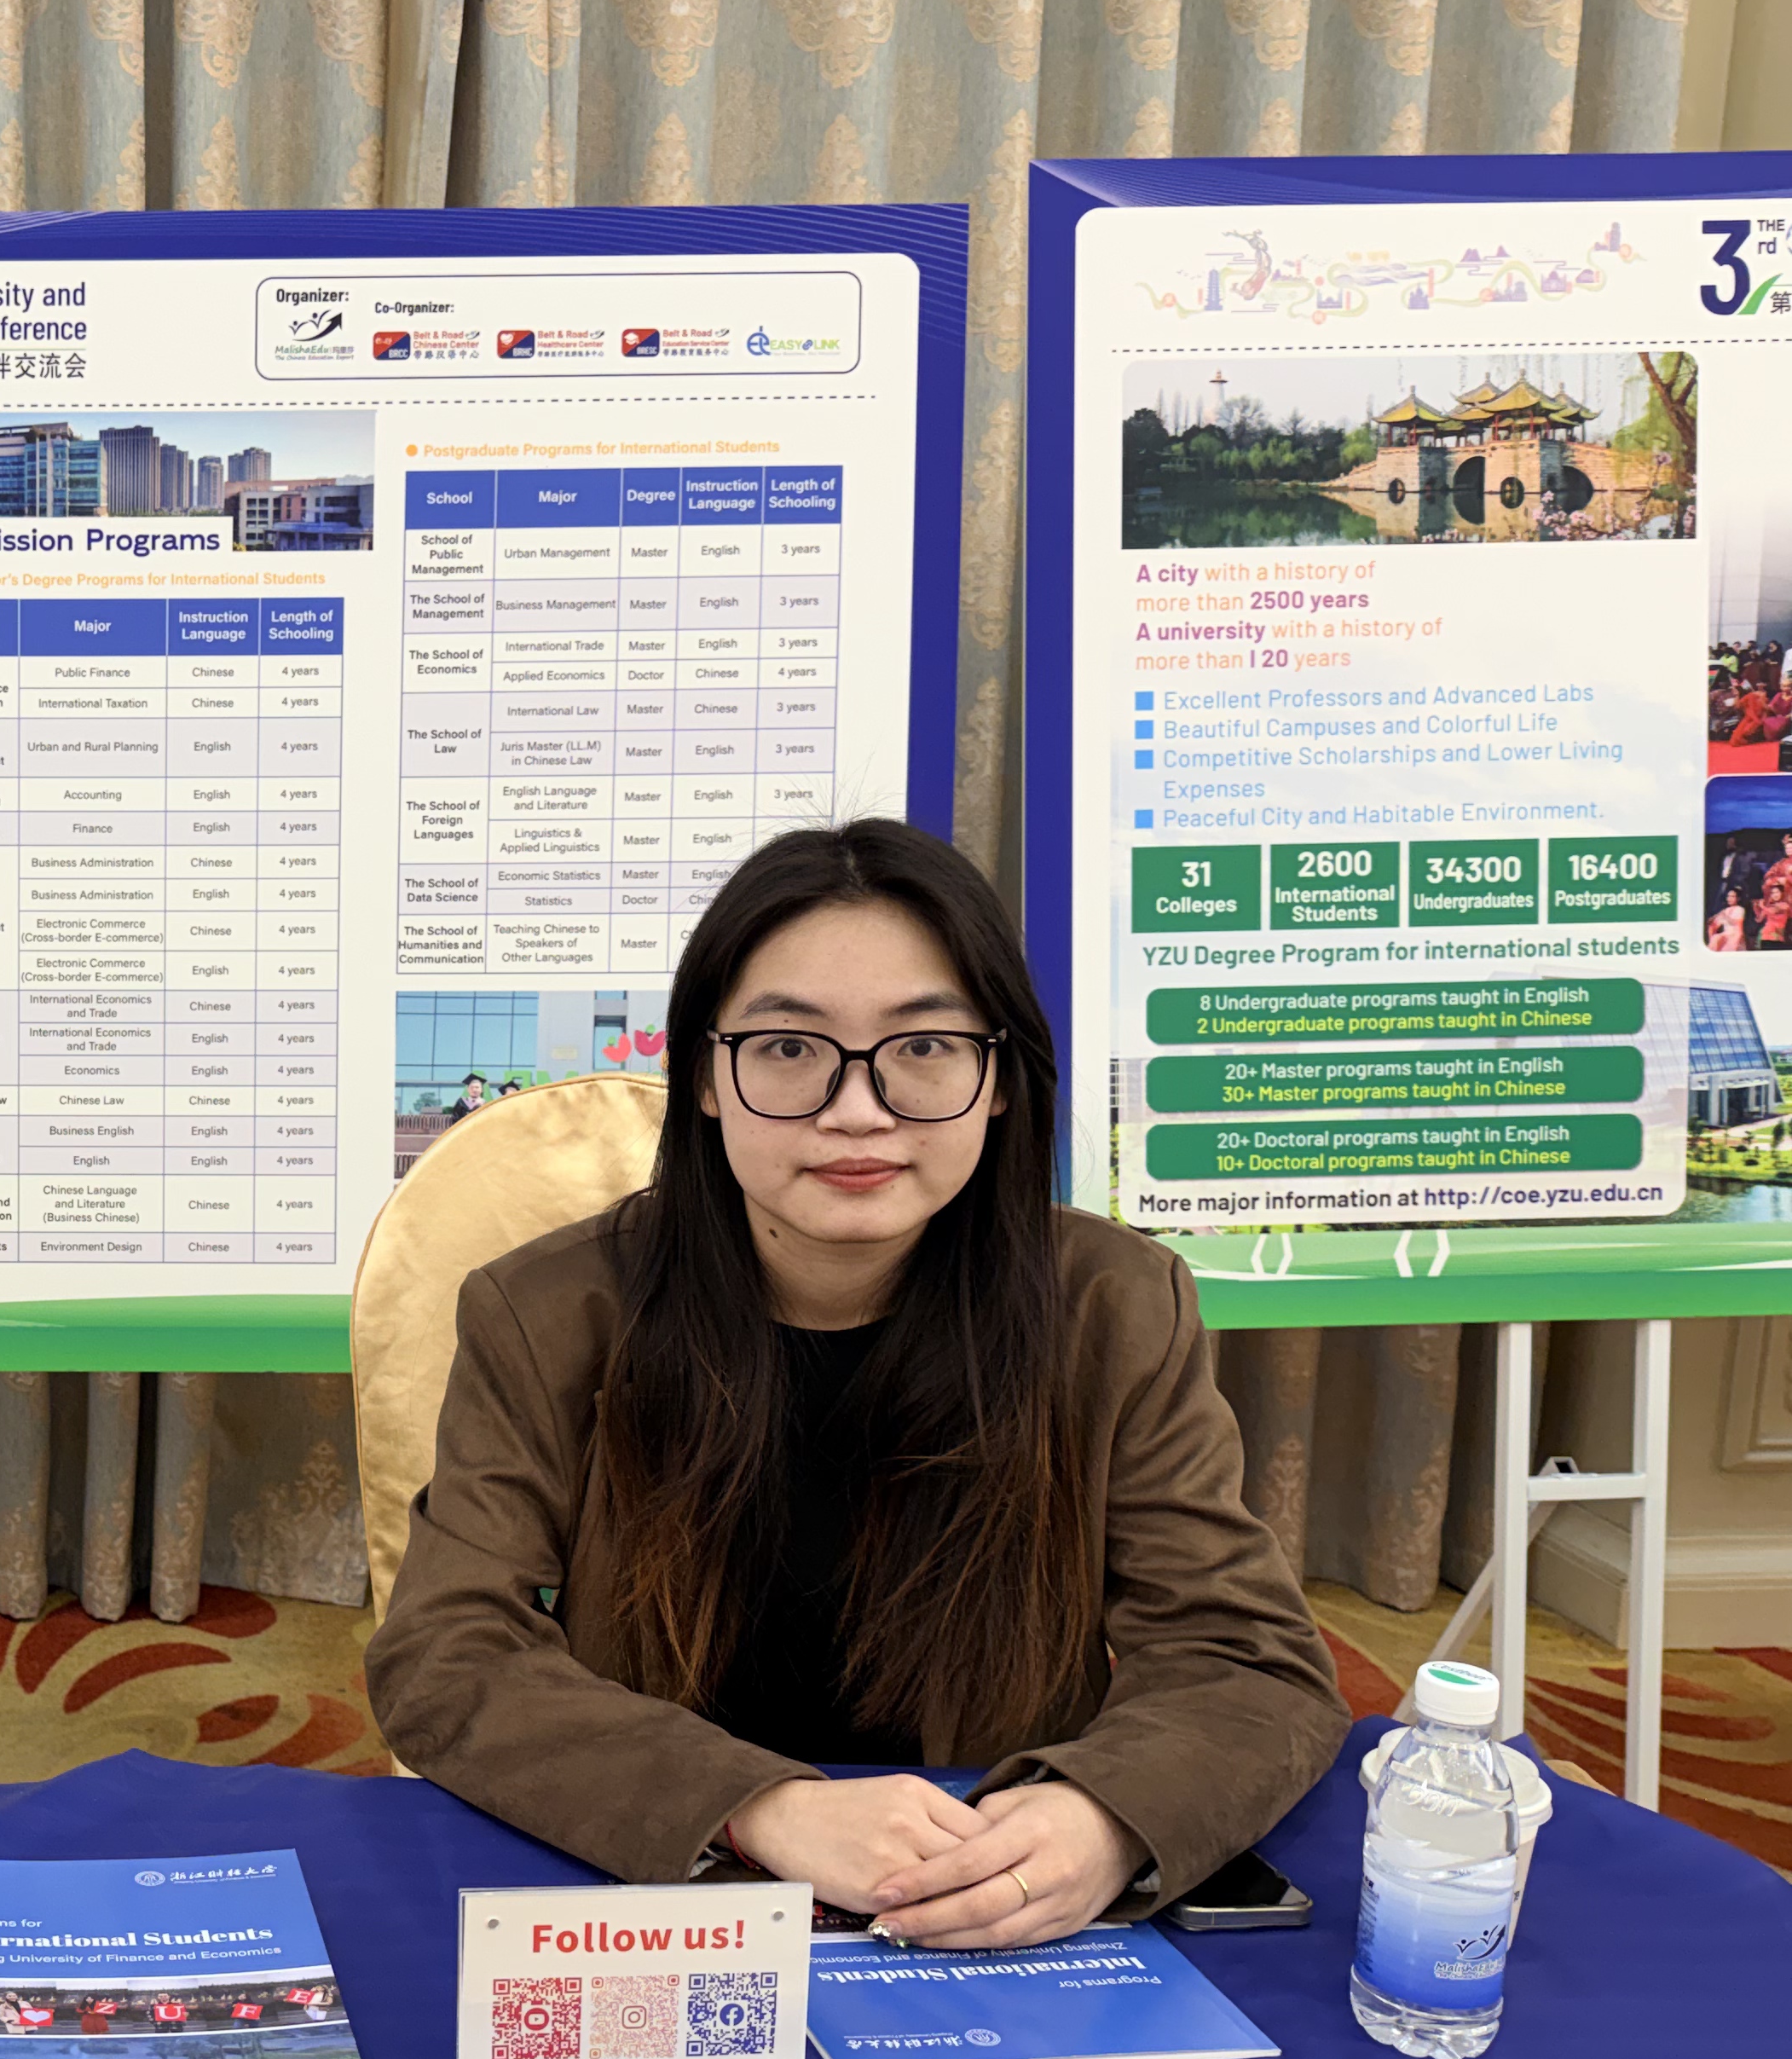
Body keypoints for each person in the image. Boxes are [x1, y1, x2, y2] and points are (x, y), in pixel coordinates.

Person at [367, 818, 1346, 1948]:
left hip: (982, 1897)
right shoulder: (546, 1311)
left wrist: (1104, 1818)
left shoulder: (1115, 1308)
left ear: (998, 1079)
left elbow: (1245, 1657)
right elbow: (449, 1653)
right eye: (789, 1047)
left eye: (923, 1045)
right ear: (706, 1079)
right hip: (675, 1893)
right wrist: (760, 1809)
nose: (858, 1109)